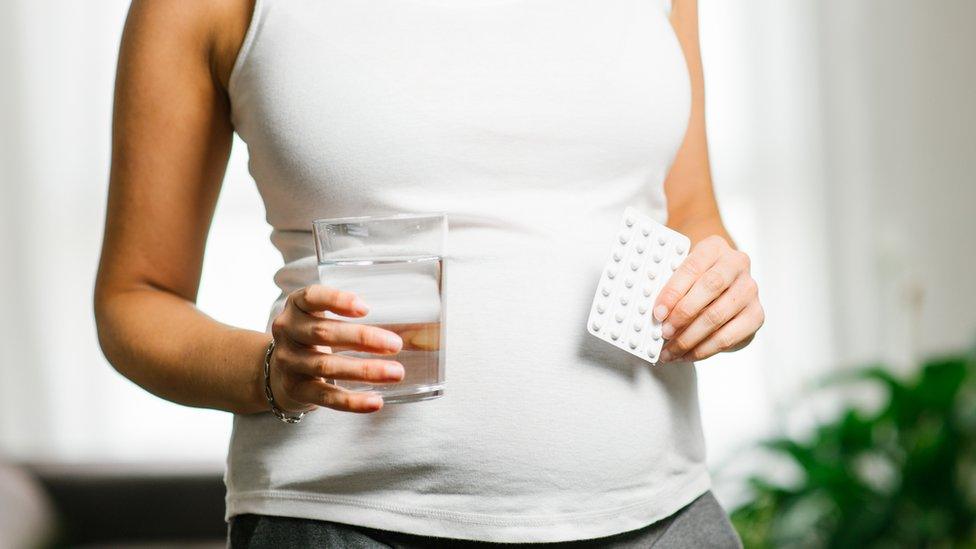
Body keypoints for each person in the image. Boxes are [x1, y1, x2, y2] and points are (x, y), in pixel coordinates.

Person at [94, 0, 764, 546]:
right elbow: (135, 298)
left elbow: (691, 217)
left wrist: (720, 286)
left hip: (662, 514)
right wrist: (268, 369)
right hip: (347, 522)